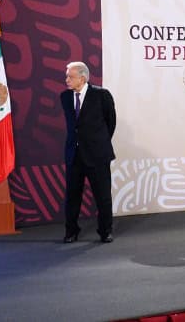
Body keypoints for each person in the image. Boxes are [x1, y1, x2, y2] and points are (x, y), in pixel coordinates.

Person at [60, 61, 117, 243]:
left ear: (83, 78)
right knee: (72, 196)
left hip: (97, 155)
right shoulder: (65, 97)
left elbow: (110, 122)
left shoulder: (101, 95)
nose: (67, 80)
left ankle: (105, 231)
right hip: (74, 155)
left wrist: (98, 143)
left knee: (102, 196)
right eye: (67, 76)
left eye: (70, 77)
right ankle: (71, 232)